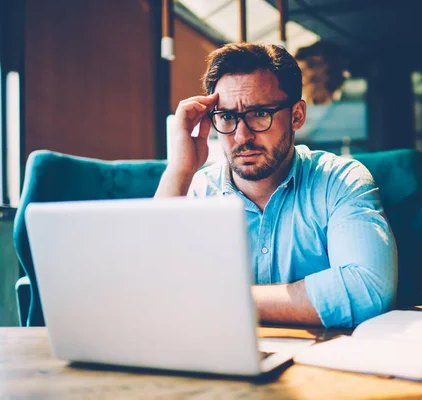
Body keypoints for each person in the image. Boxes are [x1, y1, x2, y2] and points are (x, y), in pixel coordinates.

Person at [155, 43, 397, 328]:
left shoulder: (340, 180)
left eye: (259, 114)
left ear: (297, 115)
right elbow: (147, 290)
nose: (241, 136)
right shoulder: (197, 192)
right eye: (227, 117)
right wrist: (179, 171)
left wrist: (225, 300)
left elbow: (367, 290)